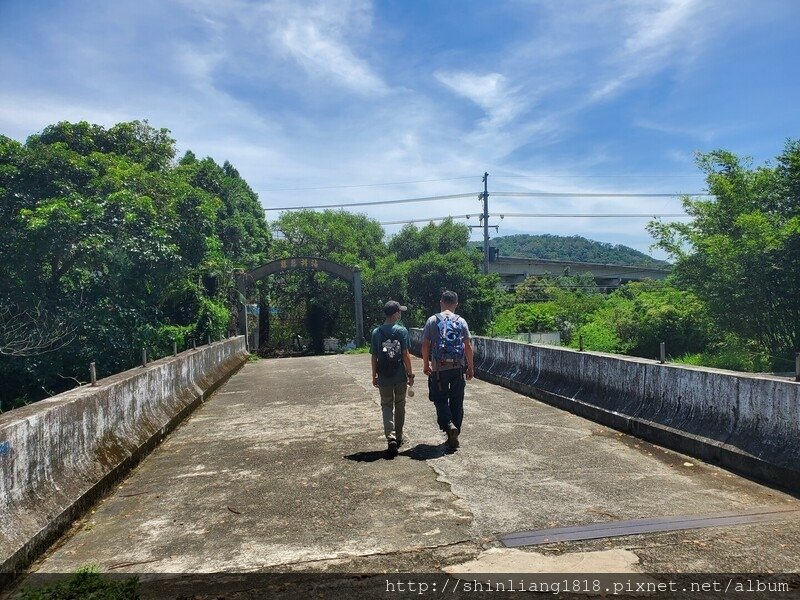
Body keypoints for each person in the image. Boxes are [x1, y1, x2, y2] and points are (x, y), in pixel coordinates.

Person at [421, 290, 474, 450]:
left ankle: (448, 425)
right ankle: (455, 431)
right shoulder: (461, 321)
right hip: (458, 367)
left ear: (441, 302)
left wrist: (426, 364)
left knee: (440, 398)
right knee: (457, 400)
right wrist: (470, 366)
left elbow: (425, 344)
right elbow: (468, 346)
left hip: (439, 369)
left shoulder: (432, 320)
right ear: (456, 304)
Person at [370, 300, 415, 458]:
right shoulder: (402, 331)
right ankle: (399, 436)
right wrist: (410, 374)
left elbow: (374, 356)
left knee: (386, 405)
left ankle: (391, 438)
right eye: (399, 311)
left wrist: (374, 375)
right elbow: (405, 355)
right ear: (396, 313)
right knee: (400, 404)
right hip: (400, 375)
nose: (400, 314)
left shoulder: (376, 332)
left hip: (384, 375)